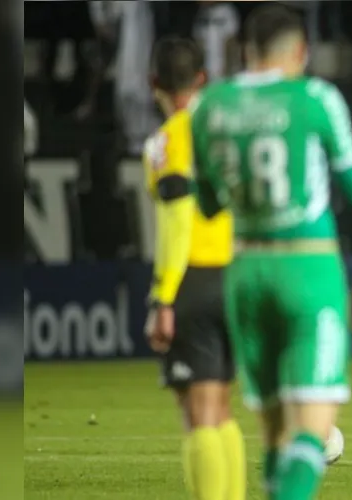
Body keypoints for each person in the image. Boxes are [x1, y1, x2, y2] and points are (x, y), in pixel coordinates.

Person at [190, 5, 352, 499]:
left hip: (246, 269)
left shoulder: (210, 106)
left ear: (245, 51)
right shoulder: (315, 96)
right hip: (307, 268)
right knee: (312, 433)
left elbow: (207, 204)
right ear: (300, 51)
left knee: (273, 434)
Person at [142, 37, 244, 500]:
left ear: (153, 84)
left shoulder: (167, 141)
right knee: (222, 409)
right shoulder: (231, 131)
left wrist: (164, 295)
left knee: (198, 415)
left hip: (195, 278)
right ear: (202, 78)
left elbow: (178, 219)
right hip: (239, 275)